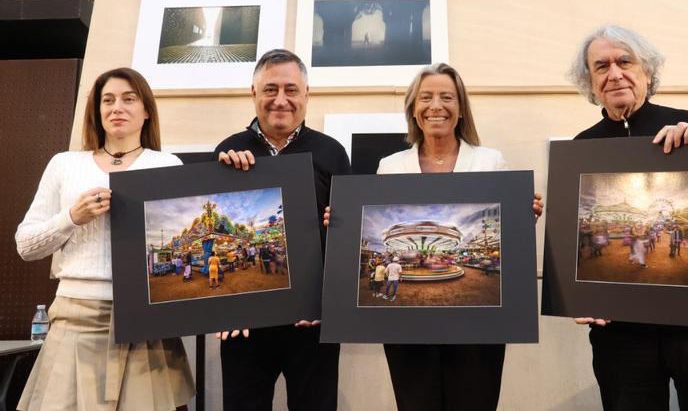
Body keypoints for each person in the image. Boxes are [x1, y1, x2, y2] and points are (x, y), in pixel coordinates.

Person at [325, 62, 543, 411]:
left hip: (479, 329)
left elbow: (509, 235)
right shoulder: (391, 165)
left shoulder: (491, 161)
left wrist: (524, 217)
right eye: (425, 97)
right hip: (406, 329)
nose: (436, 106)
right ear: (413, 108)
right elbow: (365, 218)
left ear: (460, 108)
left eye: (447, 97)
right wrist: (340, 224)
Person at [569, 25, 688, 411]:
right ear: (591, 82)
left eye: (624, 62)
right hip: (622, 334)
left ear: (647, 71)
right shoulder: (582, 149)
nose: (614, 73)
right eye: (601, 67)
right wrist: (576, 294)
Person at [15, 67, 194, 410]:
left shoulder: (167, 164)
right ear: (97, 111)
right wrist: (71, 217)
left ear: (146, 111)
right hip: (75, 316)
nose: (117, 108)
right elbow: (25, 246)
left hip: (146, 321)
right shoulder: (65, 164)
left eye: (129, 99)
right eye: (107, 100)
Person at [213, 49, 351, 411]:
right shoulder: (229, 151)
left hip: (312, 321)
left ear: (307, 94)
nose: (281, 100)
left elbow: (346, 241)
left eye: (291, 89)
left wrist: (339, 223)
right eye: (270, 89)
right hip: (245, 323)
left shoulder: (332, 152)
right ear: (253, 93)